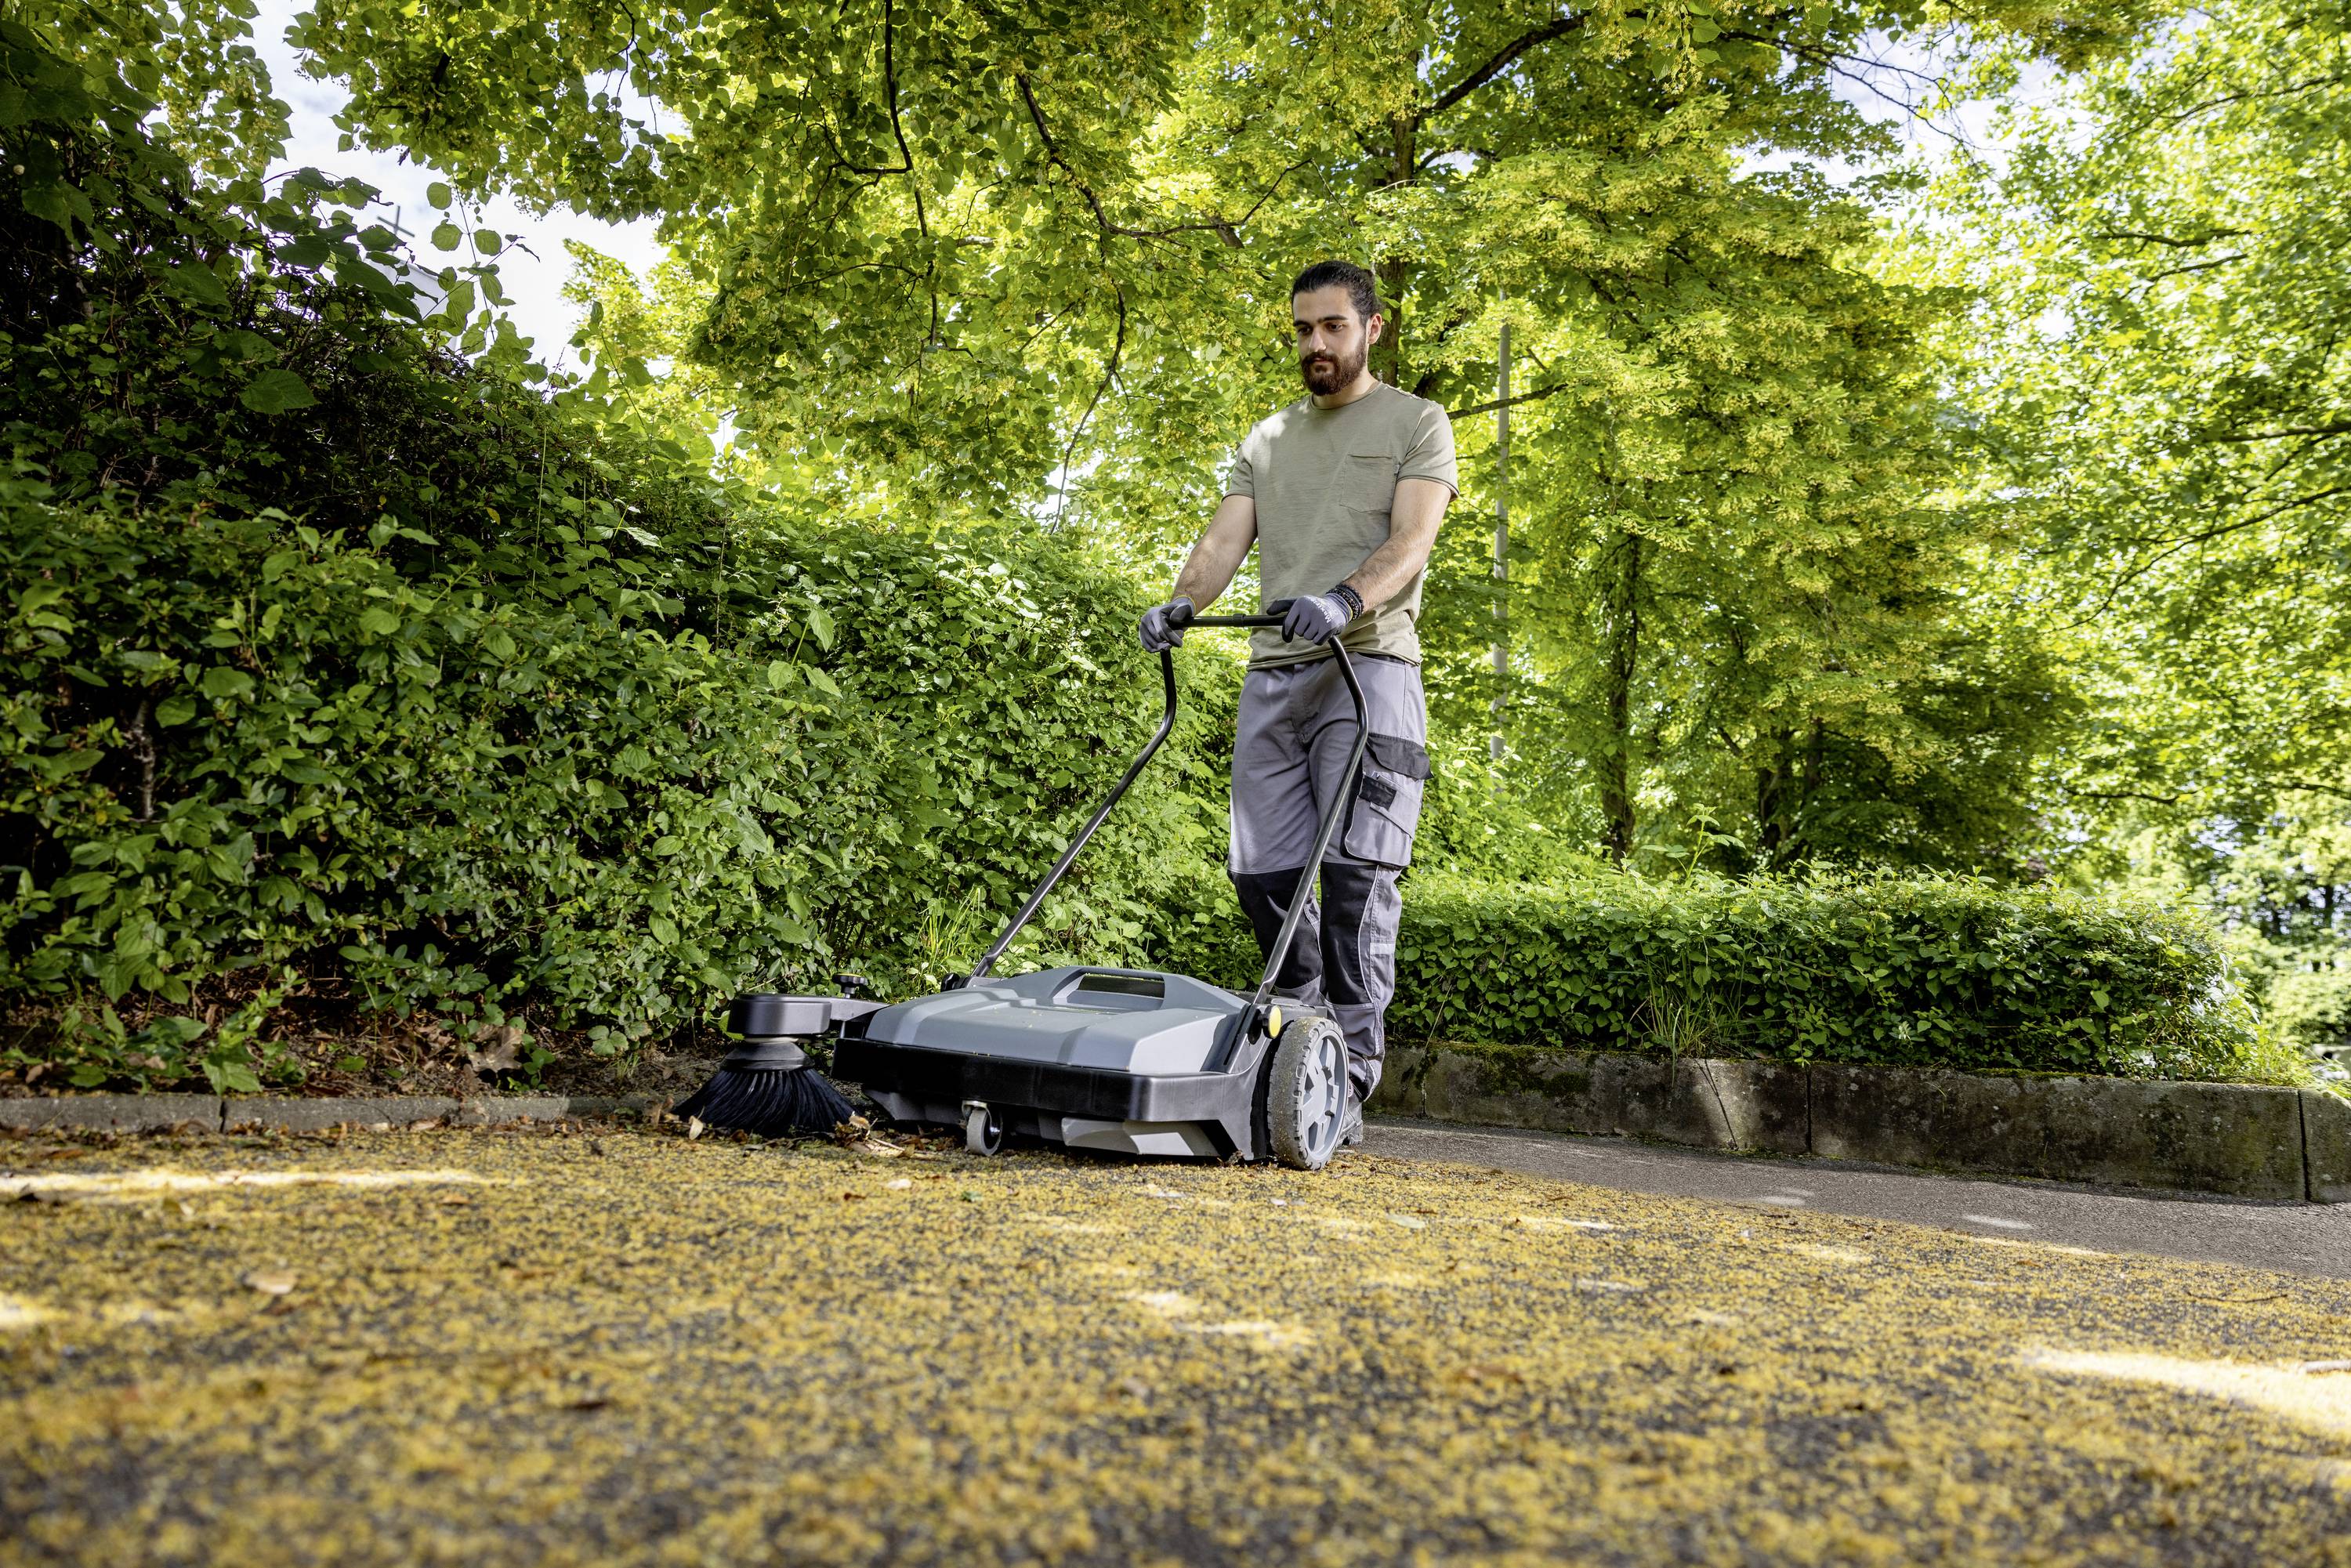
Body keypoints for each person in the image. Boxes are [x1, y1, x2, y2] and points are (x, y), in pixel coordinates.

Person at [1139, 258, 1456, 1138]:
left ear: (1372, 328)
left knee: (1358, 876)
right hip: (1275, 673)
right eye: (1304, 330)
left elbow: (1413, 538)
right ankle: (1301, 1047)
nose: (1316, 343)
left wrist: (1345, 601)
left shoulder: (1417, 422)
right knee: (1262, 874)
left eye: (1332, 327)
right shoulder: (1269, 437)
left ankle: (1348, 1077)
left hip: (1368, 669)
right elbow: (1223, 540)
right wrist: (1181, 603)